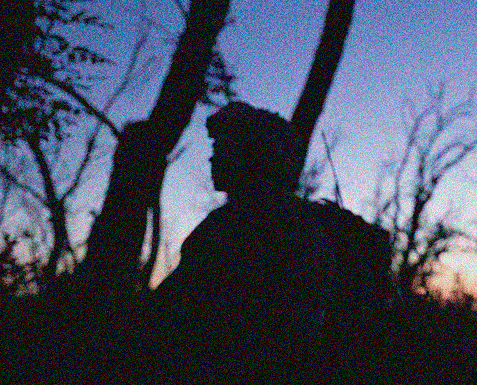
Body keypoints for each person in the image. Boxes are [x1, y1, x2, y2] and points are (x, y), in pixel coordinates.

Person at [155, 102, 390, 384]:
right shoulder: (298, 221)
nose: (212, 158)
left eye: (223, 147)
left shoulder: (242, 224)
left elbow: (171, 317)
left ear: (254, 154)